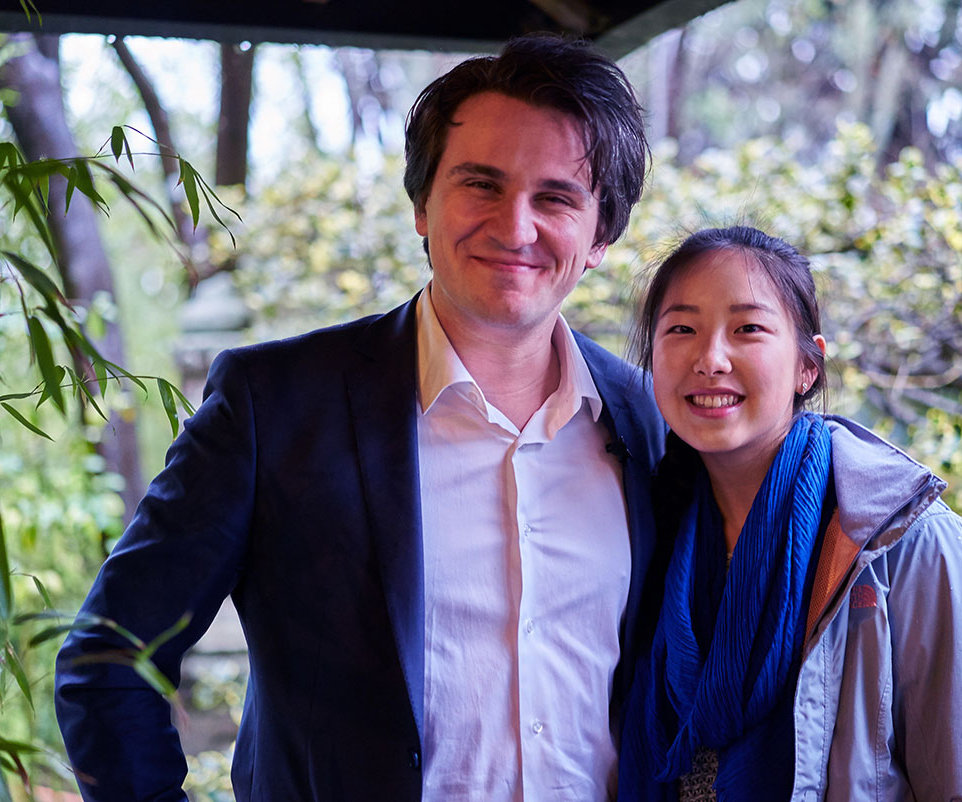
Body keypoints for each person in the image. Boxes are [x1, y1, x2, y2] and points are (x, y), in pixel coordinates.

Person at [55, 35, 665, 801]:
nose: (515, 228)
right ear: (422, 204)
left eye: (556, 198)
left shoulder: (650, 424)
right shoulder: (274, 407)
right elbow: (111, 658)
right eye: (481, 184)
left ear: (601, 233)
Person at [617, 226, 962, 801]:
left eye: (748, 329)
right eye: (682, 329)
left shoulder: (904, 545)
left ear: (807, 366)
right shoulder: (648, 525)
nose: (710, 360)